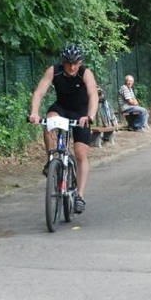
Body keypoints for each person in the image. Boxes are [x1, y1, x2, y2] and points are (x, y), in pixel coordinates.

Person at [28, 43, 99, 214]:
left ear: (80, 62)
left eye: (76, 63)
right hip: (61, 108)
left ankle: (80, 196)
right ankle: (52, 160)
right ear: (63, 62)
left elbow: (93, 94)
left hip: (81, 112)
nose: (72, 66)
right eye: (68, 63)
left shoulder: (85, 73)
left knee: (80, 153)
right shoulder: (54, 70)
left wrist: (90, 115)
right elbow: (39, 92)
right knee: (49, 120)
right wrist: (34, 113)